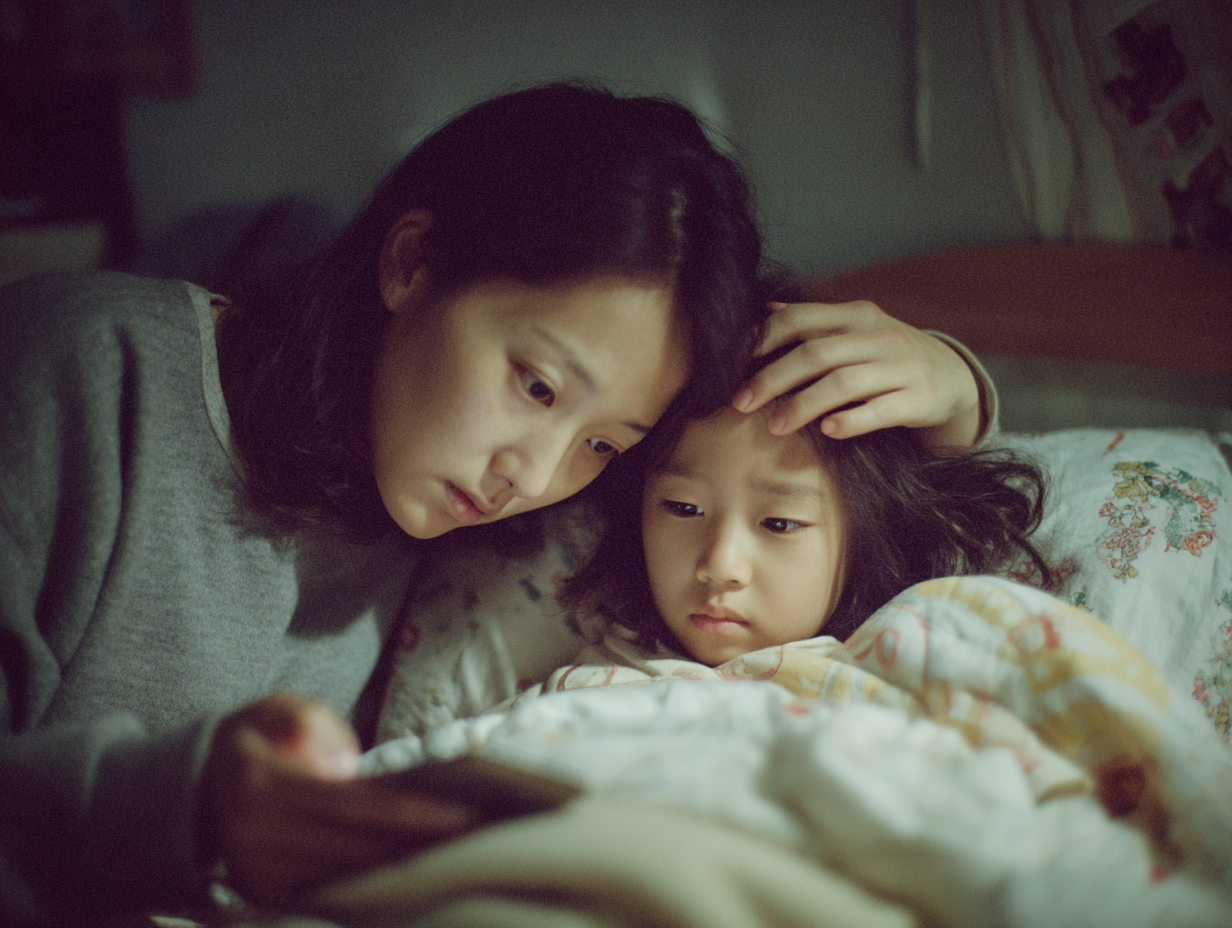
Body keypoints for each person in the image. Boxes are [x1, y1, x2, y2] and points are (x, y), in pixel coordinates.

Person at [0, 81, 986, 924]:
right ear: (412, 262)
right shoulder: (77, 371)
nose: (539, 471)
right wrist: (184, 808)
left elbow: (760, 476)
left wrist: (954, 386)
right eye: (538, 386)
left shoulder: (503, 526)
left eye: (605, 442)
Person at [561, 338, 1050, 667]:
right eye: (683, 509)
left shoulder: (898, 679)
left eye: (778, 523)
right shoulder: (590, 684)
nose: (719, 566)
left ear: (868, 536)